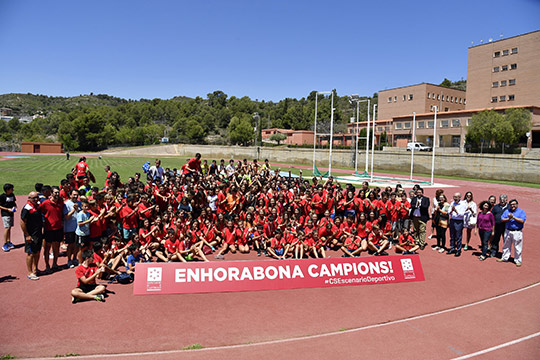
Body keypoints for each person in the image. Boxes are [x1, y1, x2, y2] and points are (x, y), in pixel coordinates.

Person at [40, 186, 64, 272]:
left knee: (56, 247)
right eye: (55, 192)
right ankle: (47, 265)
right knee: (47, 248)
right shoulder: (45, 203)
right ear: (51, 193)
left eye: (58, 192)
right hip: (49, 228)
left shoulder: (61, 202)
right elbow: (40, 213)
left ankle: (55, 264)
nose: (57, 194)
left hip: (58, 228)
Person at [21, 192, 43, 280]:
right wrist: (27, 235)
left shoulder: (38, 206)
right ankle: (30, 272)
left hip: (38, 233)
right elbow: (22, 222)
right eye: (33, 198)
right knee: (30, 253)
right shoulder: (27, 208)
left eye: (37, 197)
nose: (36, 199)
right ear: (29, 198)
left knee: (37, 252)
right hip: (31, 234)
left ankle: (35, 269)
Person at [498, 199, 526, 267]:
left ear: (517, 205)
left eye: (514, 204)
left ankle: (518, 260)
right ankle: (505, 257)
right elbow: (502, 219)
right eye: (511, 205)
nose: (512, 206)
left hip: (517, 231)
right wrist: (509, 219)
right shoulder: (507, 211)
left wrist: (513, 217)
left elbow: (522, 220)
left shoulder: (521, 212)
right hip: (508, 230)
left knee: (517, 247)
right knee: (506, 245)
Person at [63, 189, 81, 268]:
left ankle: (74, 258)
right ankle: (69, 260)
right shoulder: (66, 204)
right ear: (70, 195)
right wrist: (74, 209)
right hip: (70, 228)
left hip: (78, 228)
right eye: (74, 195)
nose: (75, 196)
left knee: (77, 245)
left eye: (77, 195)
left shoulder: (80, 203)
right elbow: (66, 217)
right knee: (70, 245)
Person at [448, 192, 467, 257]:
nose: (455, 198)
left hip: (459, 221)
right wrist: (452, 211)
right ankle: (452, 248)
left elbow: (462, 214)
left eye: (456, 197)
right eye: (454, 197)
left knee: (458, 236)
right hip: (452, 220)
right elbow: (449, 212)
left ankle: (458, 250)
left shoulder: (463, 204)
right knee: (452, 235)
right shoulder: (452, 203)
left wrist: (455, 210)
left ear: (459, 197)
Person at [0, 183, 17, 252]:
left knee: (9, 228)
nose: (13, 190)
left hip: (11, 213)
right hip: (5, 213)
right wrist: (7, 209)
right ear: (7, 190)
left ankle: (8, 241)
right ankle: (4, 244)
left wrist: (14, 207)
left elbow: (14, 203)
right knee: (6, 228)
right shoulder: (2, 196)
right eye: (11, 189)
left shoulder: (12, 195)